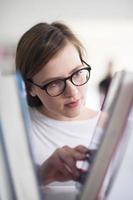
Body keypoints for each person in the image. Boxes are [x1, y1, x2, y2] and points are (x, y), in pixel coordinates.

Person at [15, 22, 101, 187]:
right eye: (54, 83)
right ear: (31, 87)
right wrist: (41, 177)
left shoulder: (115, 126)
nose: (73, 92)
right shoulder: (16, 131)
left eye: (77, 73)